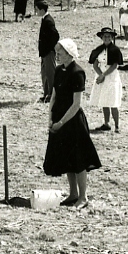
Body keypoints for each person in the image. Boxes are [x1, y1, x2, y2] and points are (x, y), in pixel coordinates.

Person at [44, 38, 102, 208]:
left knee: (79, 160)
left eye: (60, 52)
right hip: (59, 118)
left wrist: (61, 122)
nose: (57, 55)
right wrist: (50, 118)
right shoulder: (58, 70)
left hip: (73, 120)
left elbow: (76, 104)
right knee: (67, 158)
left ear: (69, 53)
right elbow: (53, 95)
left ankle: (83, 197)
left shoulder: (77, 72)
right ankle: (73, 194)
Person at [89, 26, 124, 131]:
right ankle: (106, 123)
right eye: (105, 36)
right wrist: (100, 75)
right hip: (101, 77)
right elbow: (95, 64)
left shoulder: (115, 50)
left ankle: (117, 125)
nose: (107, 38)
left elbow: (114, 65)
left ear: (112, 38)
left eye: (109, 36)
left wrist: (104, 75)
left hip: (111, 77)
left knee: (113, 102)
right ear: (102, 37)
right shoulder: (99, 50)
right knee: (104, 100)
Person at [36, 0, 58, 101]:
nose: (36, 11)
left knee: (50, 74)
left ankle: (52, 95)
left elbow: (55, 36)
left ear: (42, 10)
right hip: (44, 52)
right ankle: (46, 94)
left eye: (37, 9)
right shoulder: (45, 19)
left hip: (48, 52)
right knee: (45, 73)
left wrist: (50, 48)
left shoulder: (48, 20)